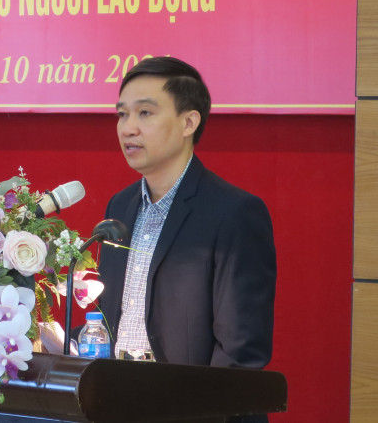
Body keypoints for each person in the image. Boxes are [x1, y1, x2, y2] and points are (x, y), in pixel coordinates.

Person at [97, 56, 276, 420]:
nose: (128, 128)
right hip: (117, 404)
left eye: (145, 113)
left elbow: (240, 353)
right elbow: (107, 315)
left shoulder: (234, 213)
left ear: (188, 122)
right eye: (122, 114)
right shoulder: (120, 206)